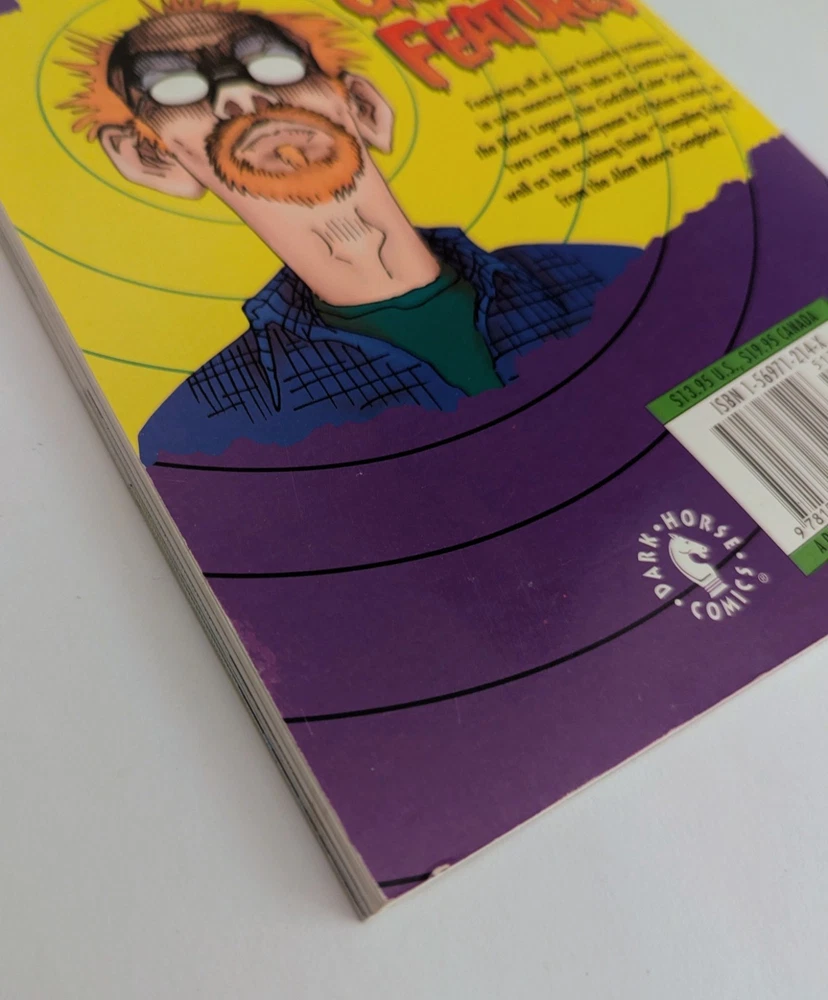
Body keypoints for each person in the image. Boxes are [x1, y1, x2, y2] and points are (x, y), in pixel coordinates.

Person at [61, 0, 641, 463]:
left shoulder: (617, 278)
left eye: (273, 63)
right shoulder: (207, 431)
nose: (241, 94)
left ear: (362, 104)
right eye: (175, 86)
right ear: (149, 159)